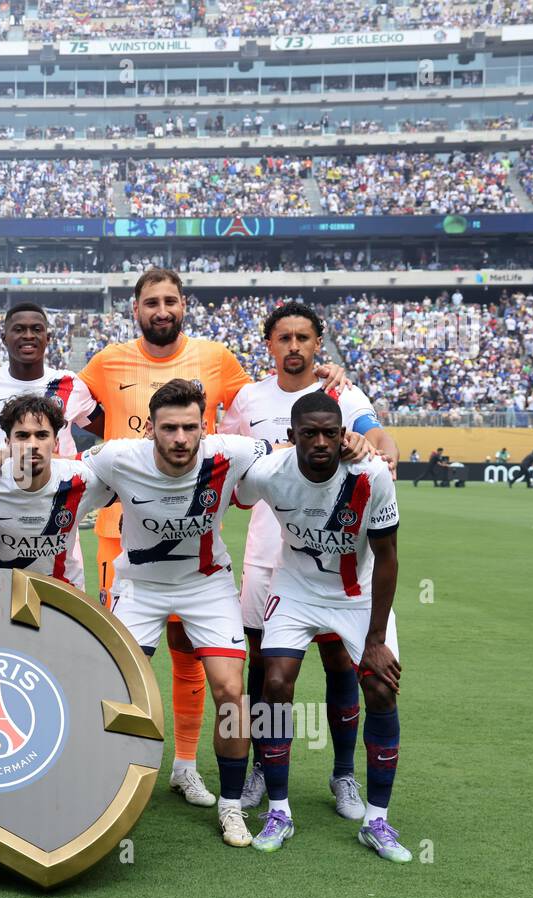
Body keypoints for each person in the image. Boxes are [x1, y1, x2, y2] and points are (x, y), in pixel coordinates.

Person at [77, 269, 348, 809]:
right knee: (122, 672)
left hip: (237, 551)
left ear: (184, 305)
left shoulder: (222, 367)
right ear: (135, 309)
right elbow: (59, 411)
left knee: (271, 670)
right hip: (128, 542)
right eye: (150, 301)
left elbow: (278, 404)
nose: (161, 309)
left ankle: (224, 775)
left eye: (170, 300)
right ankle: (106, 782)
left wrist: (327, 387)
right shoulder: (107, 363)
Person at [219, 301, 398, 818]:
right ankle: (260, 766)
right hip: (269, 552)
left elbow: (381, 440)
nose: (294, 347)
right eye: (284, 338)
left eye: (303, 338)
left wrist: (371, 446)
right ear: (269, 345)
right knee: (265, 668)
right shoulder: (248, 398)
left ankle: (343, 776)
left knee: (341, 661)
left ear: (318, 343)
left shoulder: (342, 393)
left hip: (337, 550)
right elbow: (232, 462)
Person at [82, 379, 272, 848]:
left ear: (204, 428)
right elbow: (58, 477)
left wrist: (355, 445)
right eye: (170, 428)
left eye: (191, 427)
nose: (181, 439)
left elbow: (292, 451)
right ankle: (99, 791)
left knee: (231, 690)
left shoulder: (231, 452)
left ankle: (230, 806)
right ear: (150, 429)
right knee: (109, 687)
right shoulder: (116, 457)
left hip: (206, 585)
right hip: (139, 587)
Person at [232, 391, 408, 862]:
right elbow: (232, 489)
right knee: (274, 683)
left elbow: (388, 559)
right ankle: (279, 810)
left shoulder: (370, 475)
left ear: (342, 433)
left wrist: (374, 641)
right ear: (291, 437)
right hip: (295, 588)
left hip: (359, 595)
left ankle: (377, 821)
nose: (321, 442)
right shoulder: (271, 472)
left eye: (331, 432)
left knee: (381, 689)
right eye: (309, 433)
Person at [0, 394, 114, 588]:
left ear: (56, 442)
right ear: (7, 442)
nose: (33, 444)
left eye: (42, 435)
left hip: (65, 595)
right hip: (3, 594)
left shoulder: (81, 480)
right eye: (22, 435)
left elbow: (130, 491)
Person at [0, 303, 98, 455]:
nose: (28, 335)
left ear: (47, 338)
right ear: (4, 338)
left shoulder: (68, 383)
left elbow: (107, 430)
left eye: (36, 329)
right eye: (18, 329)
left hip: (60, 478)